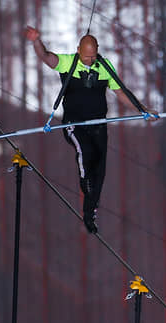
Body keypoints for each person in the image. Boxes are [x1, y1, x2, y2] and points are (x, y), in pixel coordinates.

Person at [24, 26, 158, 234]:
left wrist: (143, 110)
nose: (89, 61)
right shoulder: (69, 62)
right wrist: (36, 42)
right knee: (86, 154)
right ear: (78, 50)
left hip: (98, 124)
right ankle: (86, 194)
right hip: (74, 125)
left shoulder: (104, 66)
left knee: (100, 169)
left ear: (97, 51)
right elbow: (46, 57)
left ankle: (90, 212)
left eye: (92, 56)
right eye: (85, 57)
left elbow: (120, 92)